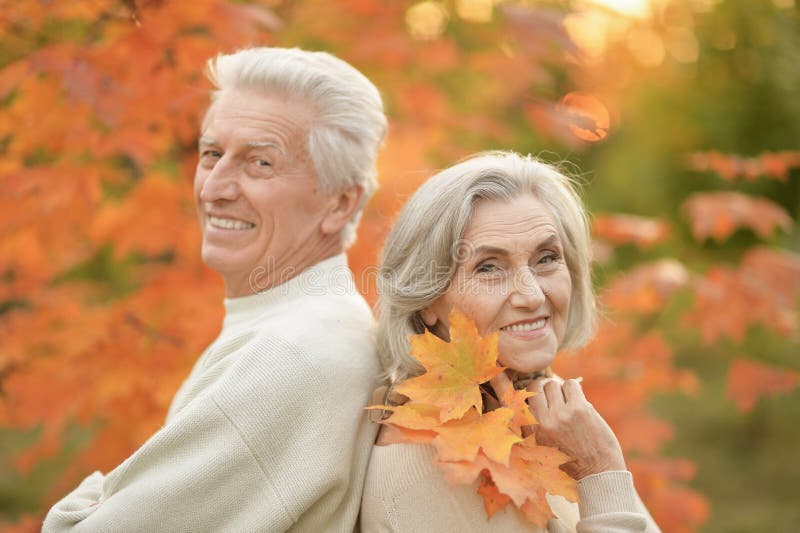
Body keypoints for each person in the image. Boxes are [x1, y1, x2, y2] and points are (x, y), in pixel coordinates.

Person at [43, 47, 387, 532]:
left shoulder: (294, 354)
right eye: (211, 154)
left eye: (260, 163)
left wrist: (99, 498)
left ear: (339, 202)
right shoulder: (294, 328)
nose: (213, 188)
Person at [360, 151, 661, 532]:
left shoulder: (550, 423)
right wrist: (601, 472)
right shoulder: (423, 465)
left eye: (546, 258)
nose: (532, 295)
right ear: (427, 298)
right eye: (489, 267)